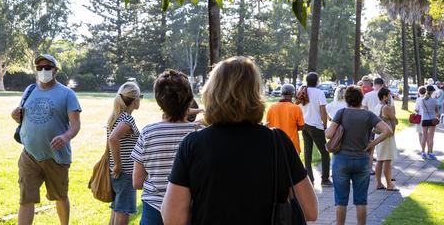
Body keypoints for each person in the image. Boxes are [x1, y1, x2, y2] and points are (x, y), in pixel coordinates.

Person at [161, 56, 318, 225]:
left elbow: (172, 219)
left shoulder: (193, 144)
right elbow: (310, 211)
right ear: (256, 92)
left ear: (211, 92)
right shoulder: (278, 141)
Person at [10, 54, 81, 225]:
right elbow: (24, 117)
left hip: (56, 156)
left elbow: (76, 124)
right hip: (30, 154)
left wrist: (65, 137)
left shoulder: (67, 94)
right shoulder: (29, 90)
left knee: (60, 196)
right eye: (39, 68)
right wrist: (15, 116)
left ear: (55, 70)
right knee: (26, 199)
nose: (43, 71)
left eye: (47, 67)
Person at [132, 70, 200, 225]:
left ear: (159, 100)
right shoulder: (198, 135)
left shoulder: (148, 133)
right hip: (188, 212)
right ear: (189, 99)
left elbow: (137, 182)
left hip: (152, 212)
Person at [326, 86, 392, 225]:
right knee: (361, 200)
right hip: (362, 160)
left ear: (346, 99)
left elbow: (329, 134)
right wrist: (372, 144)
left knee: (341, 200)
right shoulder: (368, 115)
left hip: (341, 160)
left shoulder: (341, 113)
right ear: (361, 98)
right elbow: (387, 130)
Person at [107, 82, 142, 225]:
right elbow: (113, 138)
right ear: (135, 100)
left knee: (117, 209)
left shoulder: (117, 116)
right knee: (123, 211)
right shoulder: (127, 119)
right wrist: (118, 165)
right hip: (125, 173)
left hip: (118, 173)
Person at [302, 72, 331, 186]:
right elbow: (323, 111)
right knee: (324, 152)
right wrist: (324, 125)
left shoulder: (302, 92)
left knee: (307, 153)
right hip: (316, 125)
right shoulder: (319, 93)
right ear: (317, 81)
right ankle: (324, 179)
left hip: (304, 125)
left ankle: (309, 179)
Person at [266, 83, 305, 153]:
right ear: (293, 94)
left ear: (281, 94)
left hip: (276, 144)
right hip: (292, 145)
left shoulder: (271, 107)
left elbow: (268, 125)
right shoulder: (296, 108)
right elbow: (301, 126)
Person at [373, 87, 398, 191]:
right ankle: (389, 184)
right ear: (384, 96)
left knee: (380, 160)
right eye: (389, 95)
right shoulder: (386, 107)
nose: (390, 96)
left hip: (378, 135)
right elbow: (395, 119)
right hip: (386, 135)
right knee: (387, 160)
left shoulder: (377, 106)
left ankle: (378, 183)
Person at [417, 85, 439, 160]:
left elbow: (421, 109)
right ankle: (430, 152)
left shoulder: (422, 100)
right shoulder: (434, 101)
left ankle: (423, 152)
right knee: (431, 137)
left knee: (424, 136)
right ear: (432, 91)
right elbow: (437, 112)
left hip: (424, 119)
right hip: (432, 120)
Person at [414, 86, 426, 150]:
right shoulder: (427, 99)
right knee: (425, 134)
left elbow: (416, 109)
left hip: (419, 118)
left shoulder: (418, 99)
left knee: (420, 134)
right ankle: (425, 147)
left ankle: (422, 148)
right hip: (426, 118)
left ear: (419, 92)